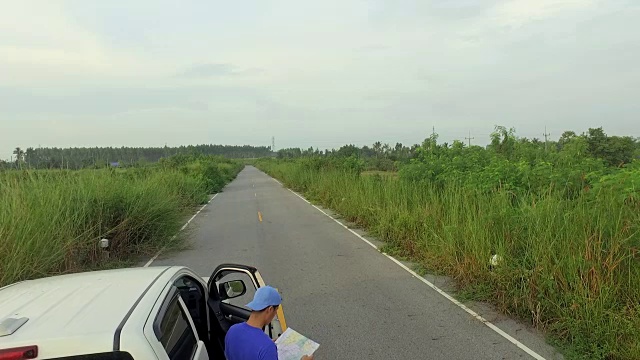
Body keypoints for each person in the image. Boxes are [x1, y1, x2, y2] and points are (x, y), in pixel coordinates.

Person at [225, 286, 313, 360]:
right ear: (270, 309)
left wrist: (267, 343)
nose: (275, 315)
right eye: (276, 311)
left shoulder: (232, 330)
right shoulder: (266, 347)